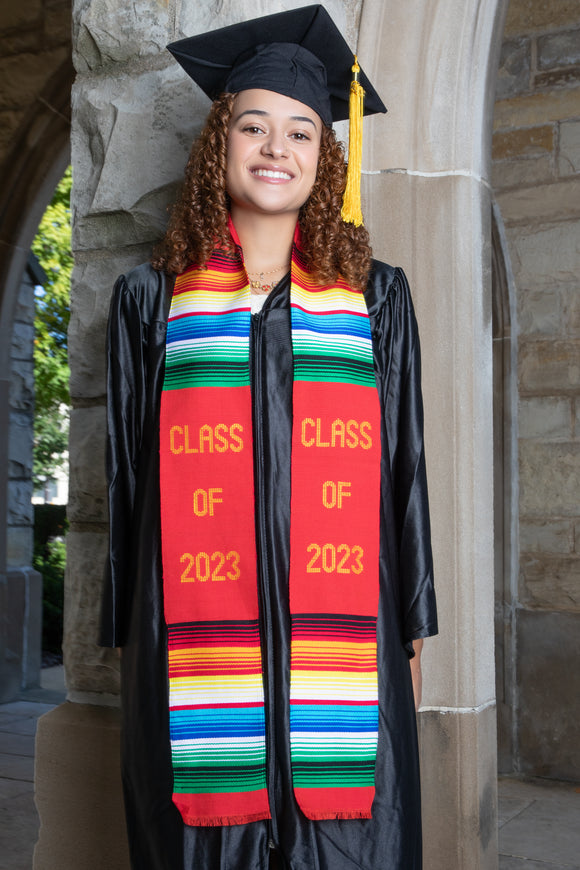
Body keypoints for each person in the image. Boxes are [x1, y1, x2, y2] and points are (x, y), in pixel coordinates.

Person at [100, 6, 437, 869]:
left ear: (324, 161)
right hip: (193, 635)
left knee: (346, 840)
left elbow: (406, 465)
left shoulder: (375, 297)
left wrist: (412, 623)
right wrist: (129, 630)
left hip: (348, 631)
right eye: (254, 126)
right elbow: (128, 474)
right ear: (220, 143)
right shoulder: (152, 299)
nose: (275, 148)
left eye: (300, 132)